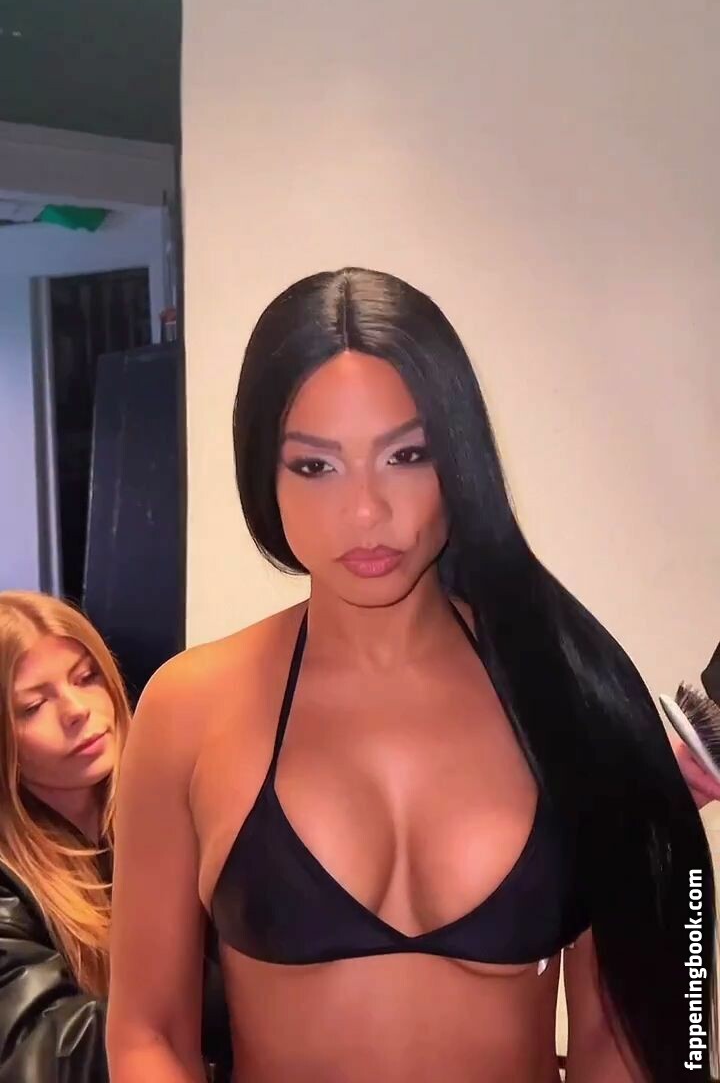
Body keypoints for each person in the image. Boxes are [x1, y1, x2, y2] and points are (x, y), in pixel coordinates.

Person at [106, 267, 717, 1083]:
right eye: (315, 466)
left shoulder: (570, 695)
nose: (366, 511)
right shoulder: (188, 711)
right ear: (263, 474)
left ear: (458, 458)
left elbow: (635, 1028)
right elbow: (147, 1032)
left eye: (406, 455)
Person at [0, 590, 232, 1082]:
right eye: (34, 705)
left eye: (86, 678)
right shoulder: (8, 881)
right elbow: (39, 1049)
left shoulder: (189, 804)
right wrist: (253, 987)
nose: (76, 710)